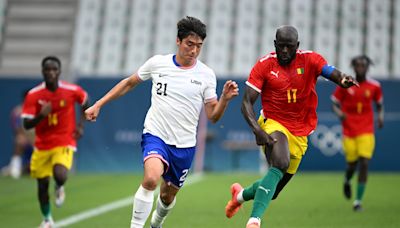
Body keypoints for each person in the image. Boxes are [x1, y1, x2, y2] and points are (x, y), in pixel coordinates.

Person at [84, 16, 239, 228]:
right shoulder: (158, 63)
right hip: (156, 134)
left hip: (184, 145)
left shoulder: (206, 75)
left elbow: (213, 116)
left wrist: (224, 100)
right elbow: (129, 83)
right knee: (150, 179)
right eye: (189, 44)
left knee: (167, 197)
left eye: (199, 46)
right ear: (178, 41)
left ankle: (156, 223)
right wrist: (98, 104)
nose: (193, 50)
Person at [224, 25, 358, 228]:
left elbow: (330, 71)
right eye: (281, 46)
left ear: (297, 46)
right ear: (275, 45)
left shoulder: (311, 59)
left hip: (301, 130)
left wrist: (342, 79)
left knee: (274, 190)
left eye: (289, 47)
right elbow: (246, 103)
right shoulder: (264, 65)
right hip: (273, 123)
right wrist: (257, 130)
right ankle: (254, 221)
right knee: (280, 162)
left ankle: (239, 196)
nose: (285, 51)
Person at [21, 56, 89, 228]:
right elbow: (26, 123)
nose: (51, 72)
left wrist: (81, 125)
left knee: (60, 174)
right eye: (47, 69)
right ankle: (47, 219)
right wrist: (41, 116)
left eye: (54, 69)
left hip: (64, 140)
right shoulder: (34, 95)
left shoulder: (71, 90)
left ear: (59, 71)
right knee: (42, 186)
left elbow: (85, 101)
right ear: (43, 71)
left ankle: (59, 186)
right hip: (42, 145)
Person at [331, 55, 384, 211]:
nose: (361, 68)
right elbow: (334, 102)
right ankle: (347, 181)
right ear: (353, 67)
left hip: (366, 130)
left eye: (364, 65)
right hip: (349, 130)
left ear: (368, 67)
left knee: (365, 163)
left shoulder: (375, 86)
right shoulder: (346, 83)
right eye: (358, 65)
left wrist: (380, 117)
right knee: (352, 165)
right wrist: (339, 113)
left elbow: (380, 105)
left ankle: (358, 201)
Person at [1, 89, 35, 179]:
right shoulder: (17, 112)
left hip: (37, 142)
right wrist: (28, 139)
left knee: (31, 170)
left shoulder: (40, 111)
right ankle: (15, 169)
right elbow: (17, 130)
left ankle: (28, 168)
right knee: (19, 140)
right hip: (25, 141)